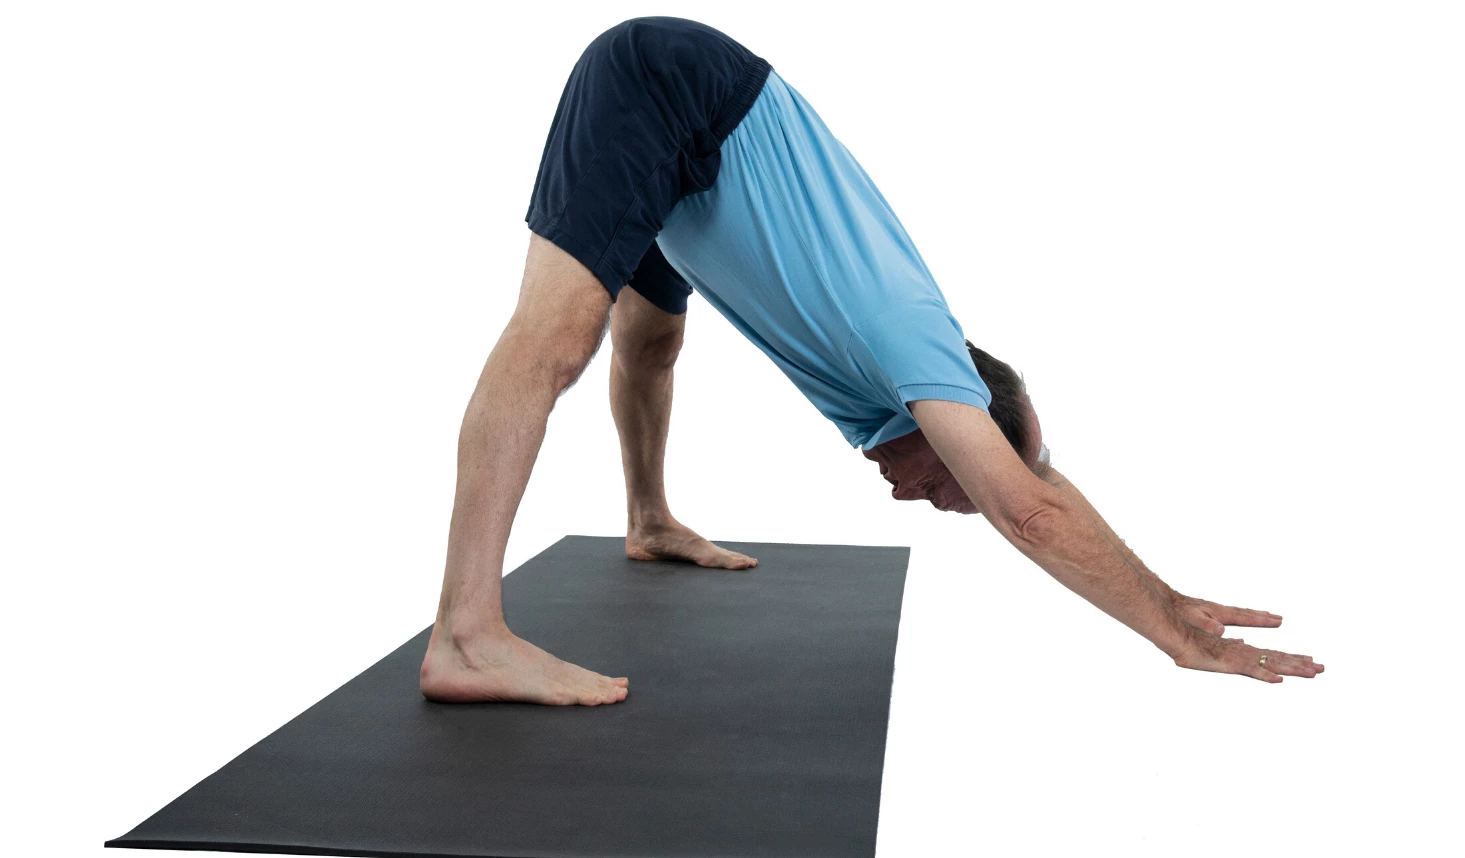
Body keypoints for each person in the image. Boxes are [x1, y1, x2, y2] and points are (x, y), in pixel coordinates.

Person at [418, 16, 1324, 704]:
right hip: (673, 94)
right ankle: (466, 632)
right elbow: (1031, 511)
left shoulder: (918, 376)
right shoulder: (910, 340)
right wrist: (1175, 636)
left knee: (650, 340)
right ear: (955, 409)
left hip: (694, 164)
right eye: (939, 487)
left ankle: (649, 520)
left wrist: (1169, 590)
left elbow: (1036, 474)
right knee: (555, 341)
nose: (911, 497)